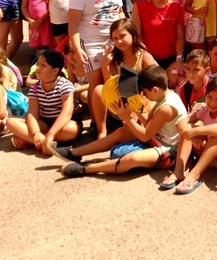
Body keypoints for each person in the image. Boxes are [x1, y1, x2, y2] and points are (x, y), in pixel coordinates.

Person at [56, 65, 187, 178]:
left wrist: (126, 117)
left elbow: (145, 135)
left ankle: (87, 168)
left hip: (169, 150)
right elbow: (149, 123)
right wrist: (135, 109)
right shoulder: (165, 96)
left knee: (132, 159)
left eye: (145, 92)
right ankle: (75, 153)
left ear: (155, 90)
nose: (144, 95)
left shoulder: (166, 108)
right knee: (121, 132)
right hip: (157, 137)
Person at [68, 0, 124, 138]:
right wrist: (77, 48)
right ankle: (96, 121)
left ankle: (114, 117)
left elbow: (120, 14)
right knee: (96, 81)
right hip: (90, 41)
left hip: (113, 40)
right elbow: (74, 24)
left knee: (114, 78)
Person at [160, 78, 217, 195]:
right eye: (209, 97)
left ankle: (194, 175)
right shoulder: (203, 109)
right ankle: (179, 171)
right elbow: (180, 124)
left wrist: (196, 131)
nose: (213, 102)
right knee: (187, 128)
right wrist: (191, 135)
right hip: (204, 154)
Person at [6, 50, 82, 152]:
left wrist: (51, 134)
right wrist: (36, 133)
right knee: (11, 122)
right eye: (38, 64)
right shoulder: (35, 88)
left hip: (65, 123)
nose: (37, 68)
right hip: (45, 122)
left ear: (55, 71)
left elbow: (66, 113)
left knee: (72, 129)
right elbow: (32, 114)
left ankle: (32, 141)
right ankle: (45, 143)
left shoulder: (65, 86)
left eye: (43, 66)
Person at [131, 0, 185, 72]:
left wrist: (179, 59)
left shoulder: (176, 7)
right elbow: (137, 35)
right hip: (148, 58)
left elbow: (180, 36)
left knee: (175, 78)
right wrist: (147, 58)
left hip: (172, 59)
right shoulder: (139, 6)